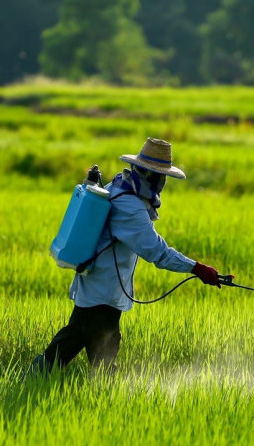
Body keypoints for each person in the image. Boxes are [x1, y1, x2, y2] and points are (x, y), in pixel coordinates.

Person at [30, 138, 223, 374]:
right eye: (161, 177)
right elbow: (157, 252)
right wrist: (197, 268)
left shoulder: (119, 186)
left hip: (96, 285)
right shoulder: (129, 205)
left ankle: (34, 376)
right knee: (104, 356)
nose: (162, 183)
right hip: (104, 290)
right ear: (151, 176)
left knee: (72, 339)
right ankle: (104, 394)